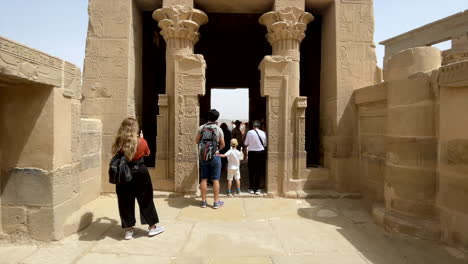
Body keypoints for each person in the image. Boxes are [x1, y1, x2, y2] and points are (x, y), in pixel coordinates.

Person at [111, 117, 164, 240]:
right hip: (140, 172)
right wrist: (142, 138)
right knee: (146, 199)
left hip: (123, 173)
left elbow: (116, 154)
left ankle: (129, 230)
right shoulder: (141, 142)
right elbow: (147, 153)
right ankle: (152, 227)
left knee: (125, 200)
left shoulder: (119, 142)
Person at [196, 109, 225, 209]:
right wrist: (216, 150)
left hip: (204, 156)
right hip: (215, 156)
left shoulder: (202, 128)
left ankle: (203, 201)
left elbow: (197, 141)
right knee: (215, 179)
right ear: (217, 118)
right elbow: (223, 144)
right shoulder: (218, 129)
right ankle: (216, 202)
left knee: (204, 178)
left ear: (208, 117)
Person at [243, 120, 267, 195]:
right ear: (259, 126)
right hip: (260, 153)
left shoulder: (250, 132)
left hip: (252, 153)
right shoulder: (263, 133)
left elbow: (246, 143)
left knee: (251, 171)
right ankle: (257, 188)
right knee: (258, 171)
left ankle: (251, 188)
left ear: (253, 126)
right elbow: (265, 144)